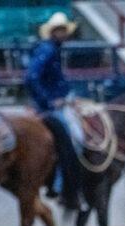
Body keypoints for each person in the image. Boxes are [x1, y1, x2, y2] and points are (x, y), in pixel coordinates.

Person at [25, 11, 82, 209]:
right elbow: (32, 77)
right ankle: (62, 186)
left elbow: (52, 80)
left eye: (64, 30)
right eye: (59, 30)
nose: (63, 33)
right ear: (53, 32)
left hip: (59, 101)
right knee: (75, 139)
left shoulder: (52, 50)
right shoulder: (48, 50)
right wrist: (48, 102)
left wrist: (69, 97)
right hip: (49, 106)